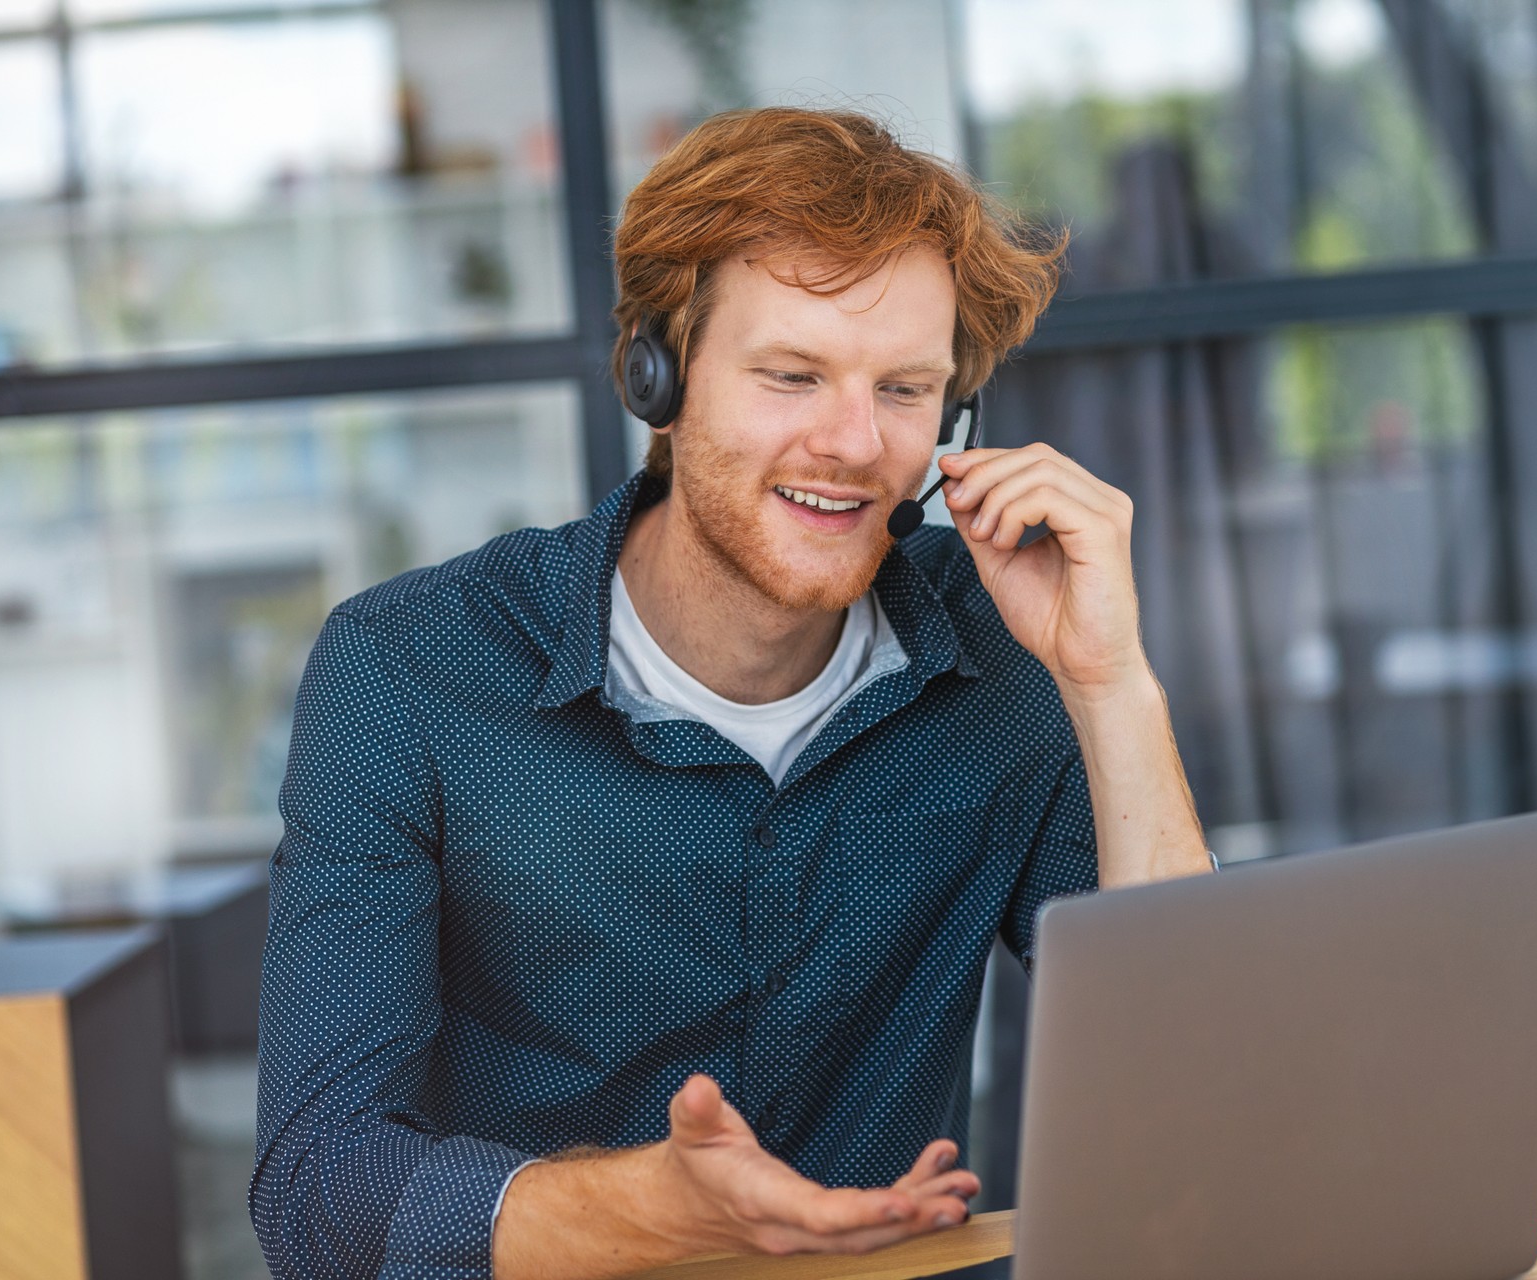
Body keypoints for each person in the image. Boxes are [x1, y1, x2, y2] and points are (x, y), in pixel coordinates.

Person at [249, 107, 1212, 1280]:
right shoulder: (408, 672)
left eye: (905, 389)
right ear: (657, 374)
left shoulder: (1007, 653)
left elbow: (1191, 1096)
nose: (855, 442)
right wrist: (650, 1207)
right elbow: (317, 1191)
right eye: (793, 375)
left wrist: (1111, 682)